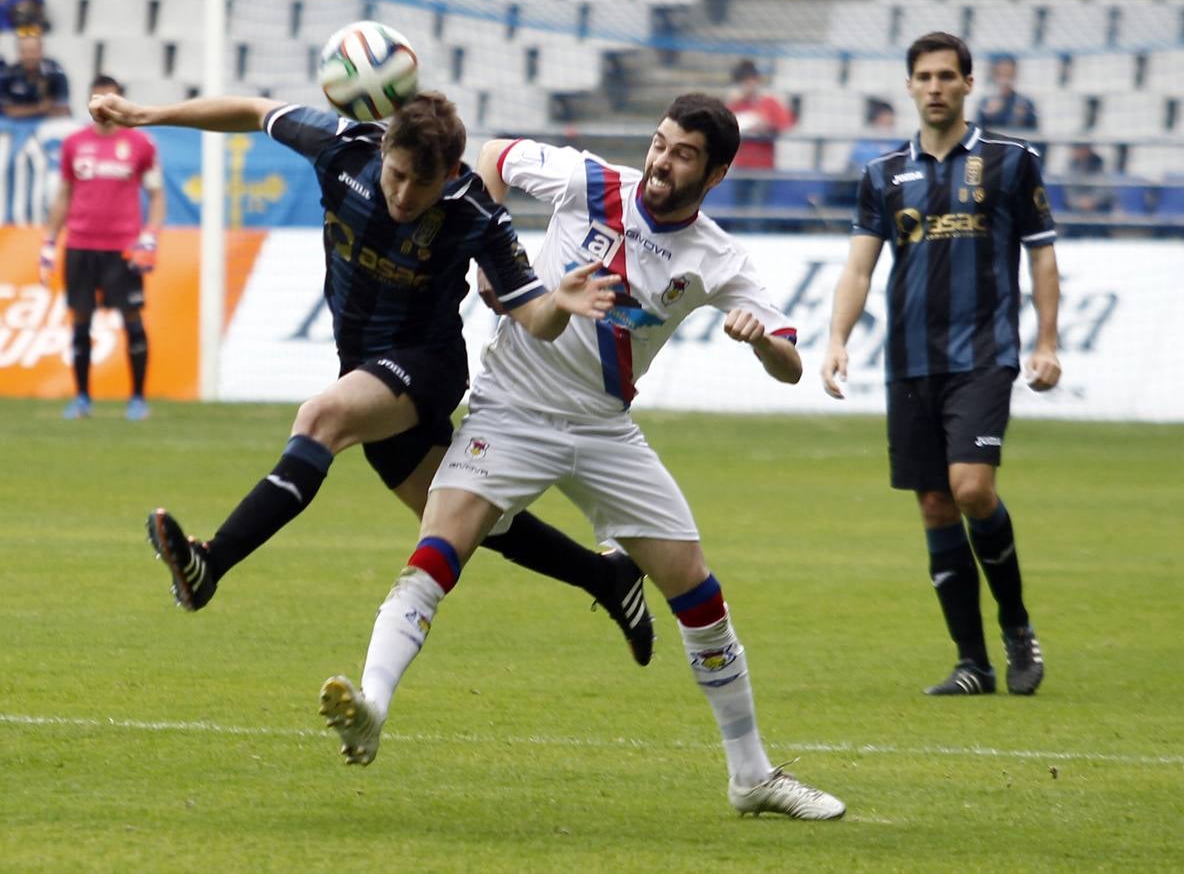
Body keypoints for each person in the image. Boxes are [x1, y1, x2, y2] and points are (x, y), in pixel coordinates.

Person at [318, 93, 846, 821]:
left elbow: (790, 363)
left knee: (697, 592)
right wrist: (485, 258)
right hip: (509, 408)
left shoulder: (719, 257)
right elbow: (492, 157)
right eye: (659, 143)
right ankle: (371, 706)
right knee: (438, 549)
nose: (661, 161)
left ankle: (750, 775)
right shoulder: (589, 180)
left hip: (603, 430)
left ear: (716, 172)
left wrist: (761, 341)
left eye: (683, 153)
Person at [88, 87, 656, 665]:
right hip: (361, 362)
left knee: (321, 418)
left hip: (425, 364)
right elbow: (255, 110)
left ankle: (209, 564)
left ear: (450, 174)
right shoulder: (340, 147)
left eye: (422, 184)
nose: (405, 195)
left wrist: (559, 300)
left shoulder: (474, 211)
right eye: (398, 175)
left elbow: (536, 318)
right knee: (466, 520)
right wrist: (144, 114)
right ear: (385, 148)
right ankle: (607, 579)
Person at [821, 32, 1059, 697]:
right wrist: (837, 339)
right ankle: (972, 664)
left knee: (971, 489)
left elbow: (1041, 255)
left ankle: (1015, 625)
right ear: (908, 86)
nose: (934, 86)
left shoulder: (1011, 163)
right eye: (923, 76)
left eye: (946, 76)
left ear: (966, 83)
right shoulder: (880, 174)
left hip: (984, 353)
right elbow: (858, 265)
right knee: (933, 503)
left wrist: (1046, 342)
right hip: (909, 360)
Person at [43, 75, 163, 421]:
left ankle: (137, 399)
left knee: (132, 319)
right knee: (80, 320)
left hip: (123, 248)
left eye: (114, 100)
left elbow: (156, 194)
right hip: (80, 245)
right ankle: (82, 398)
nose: (107, 107)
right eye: (101, 100)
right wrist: (50, 241)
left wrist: (150, 234)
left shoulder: (141, 144)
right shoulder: (74, 144)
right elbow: (64, 193)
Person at [725, 58, 795, 228]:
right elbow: (724, 127)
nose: (748, 86)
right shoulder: (735, 105)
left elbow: (786, 123)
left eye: (751, 81)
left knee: (757, 213)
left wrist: (766, 126)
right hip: (741, 165)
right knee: (739, 212)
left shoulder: (769, 103)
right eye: (744, 82)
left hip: (763, 167)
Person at [0, 29, 70, 119]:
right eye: (24, 51)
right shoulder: (9, 73)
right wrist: (40, 108)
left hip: (49, 125)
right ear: (18, 52)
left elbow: (63, 110)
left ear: (41, 50)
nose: (28, 56)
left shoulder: (55, 71)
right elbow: (8, 111)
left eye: (32, 51)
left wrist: (22, 110)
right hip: (16, 125)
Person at [976, 53, 1038, 131]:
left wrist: (1023, 118)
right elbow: (977, 132)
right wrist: (988, 116)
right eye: (1001, 74)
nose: (1005, 79)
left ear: (1015, 74)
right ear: (995, 75)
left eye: (1009, 74)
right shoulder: (985, 102)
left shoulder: (1025, 103)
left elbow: (1035, 134)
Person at [847, 99, 900, 173]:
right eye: (883, 122)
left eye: (889, 123)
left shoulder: (899, 142)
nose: (886, 127)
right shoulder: (863, 144)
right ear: (874, 121)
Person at [1063, 141, 1114, 215]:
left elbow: (1106, 190)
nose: (1081, 152)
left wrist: (1093, 201)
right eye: (1078, 149)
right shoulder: (1071, 167)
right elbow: (1069, 192)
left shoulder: (1100, 165)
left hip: (1098, 206)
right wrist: (1079, 202)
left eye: (1084, 149)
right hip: (1077, 207)